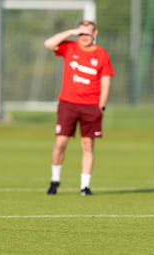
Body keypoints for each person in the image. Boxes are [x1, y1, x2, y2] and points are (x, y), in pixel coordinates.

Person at [44, 20, 114, 196]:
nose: (84, 37)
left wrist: (102, 106)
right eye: (81, 33)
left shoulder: (101, 54)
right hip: (68, 103)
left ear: (95, 34)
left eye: (87, 33)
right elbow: (49, 44)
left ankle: (85, 186)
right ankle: (55, 180)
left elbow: (105, 81)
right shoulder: (70, 47)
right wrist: (70, 31)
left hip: (91, 105)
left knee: (87, 145)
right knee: (60, 142)